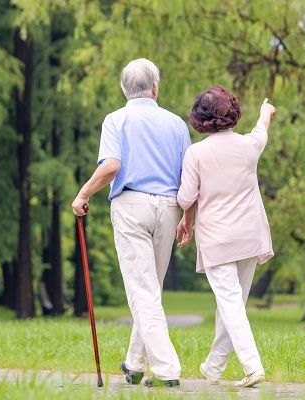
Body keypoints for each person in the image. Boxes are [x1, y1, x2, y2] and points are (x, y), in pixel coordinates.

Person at [71, 58, 191, 388]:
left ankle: (167, 370)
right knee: (150, 290)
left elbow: (111, 166)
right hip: (169, 207)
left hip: (131, 206)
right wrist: (187, 217)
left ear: (124, 90)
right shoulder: (177, 124)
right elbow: (188, 177)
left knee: (143, 292)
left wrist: (83, 194)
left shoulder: (116, 120)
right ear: (155, 88)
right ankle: (135, 365)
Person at [176, 86, 276, 388]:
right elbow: (262, 129)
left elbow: (185, 198)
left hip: (218, 240)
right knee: (232, 304)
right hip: (250, 237)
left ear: (200, 117)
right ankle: (214, 366)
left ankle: (252, 365)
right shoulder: (249, 146)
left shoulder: (196, 153)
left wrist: (186, 215)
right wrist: (264, 112)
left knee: (230, 304)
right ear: (231, 112)